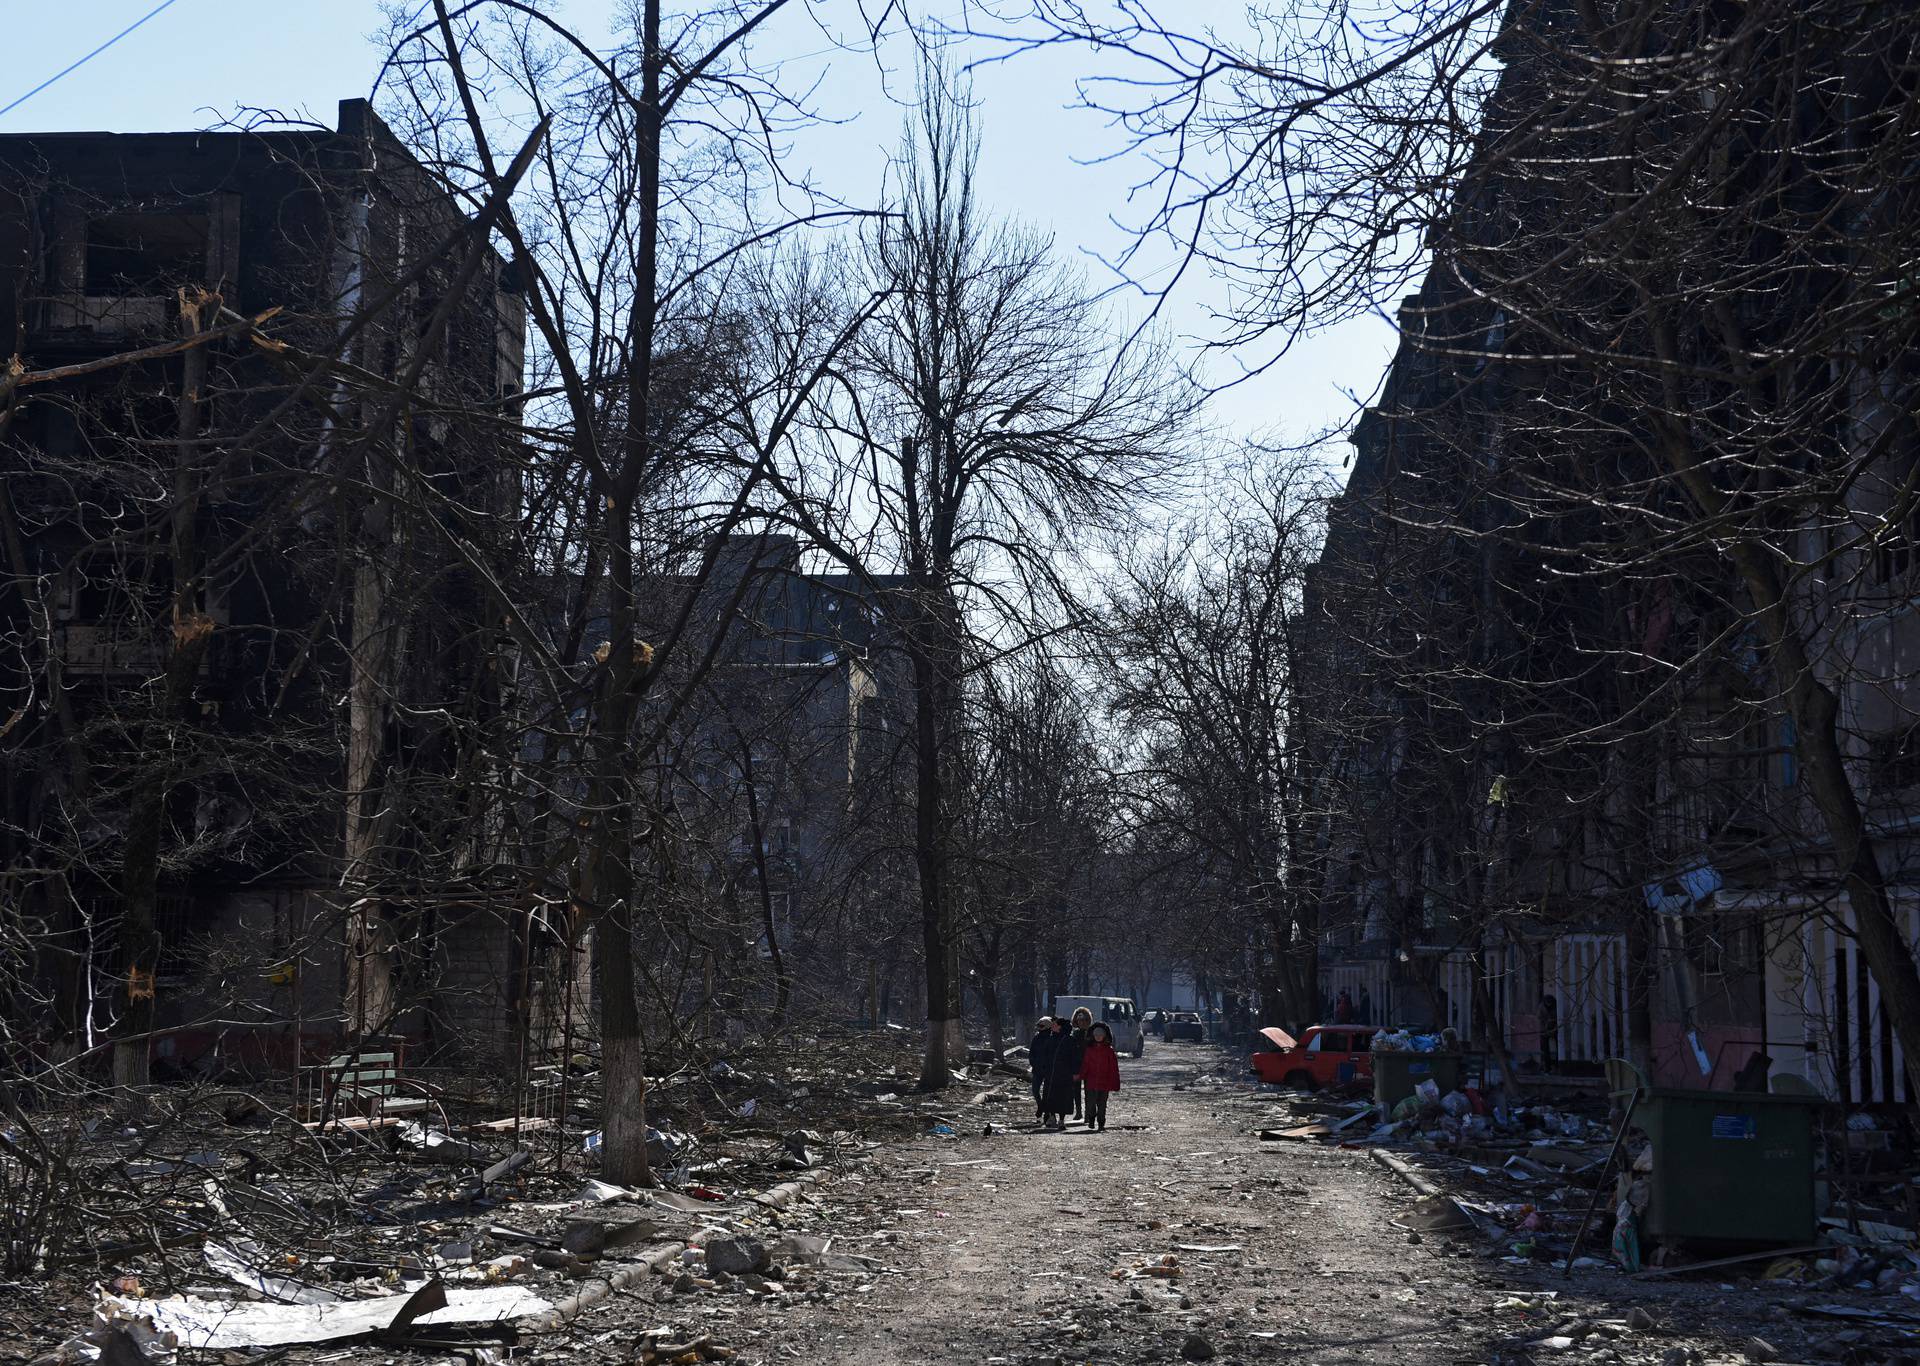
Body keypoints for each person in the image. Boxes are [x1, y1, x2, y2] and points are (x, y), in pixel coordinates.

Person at [1040, 1015, 1084, 1129]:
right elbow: (1044, 1056)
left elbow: (1075, 1058)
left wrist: (1075, 1072)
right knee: (1050, 1096)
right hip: (1051, 1074)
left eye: (1055, 1024)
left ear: (1060, 1027)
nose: (1052, 1026)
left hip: (1065, 1074)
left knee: (1063, 1097)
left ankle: (1061, 1120)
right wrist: (1043, 1068)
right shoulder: (1050, 1039)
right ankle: (1052, 1117)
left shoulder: (1069, 1040)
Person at [1078, 1022, 1122, 1130]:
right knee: (1091, 1104)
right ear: (1093, 1036)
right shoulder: (1089, 1050)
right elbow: (1085, 1065)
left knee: (1102, 1105)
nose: (1098, 1037)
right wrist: (1081, 1076)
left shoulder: (1109, 1051)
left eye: (1100, 1035)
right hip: (1091, 1082)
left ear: (1104, 1036)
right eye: (1096, 1035)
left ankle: (1101, 1123)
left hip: (1104, 1082)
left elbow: (1113, 1068)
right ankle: (1092, 1119)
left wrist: (1115, 1082)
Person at [1067, 1007, 1094, 1119]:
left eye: (1084, 1020)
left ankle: (1088, 1112)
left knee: (1089, 1090)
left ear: (1088, 1020)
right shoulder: (1074, 1034)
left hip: (1089, 1066)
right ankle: (1079, 1111)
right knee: (1076, 1090)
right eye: (1079, 1020)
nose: (1082, 1022)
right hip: (1076, 1066)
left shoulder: (1092, 1034)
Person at [1027, 1016, 1056, 1120]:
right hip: (1037, 1068)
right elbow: (1032, 1053)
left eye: (1041, 1026)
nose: (1039, 1028)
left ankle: (1046, 1112)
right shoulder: (1036, 1038)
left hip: (1048, 1069)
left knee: (1047, 1093)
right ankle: (1041, 1106)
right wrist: (1033, 1063)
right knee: (1035, 1090)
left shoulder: (1053, 1038)